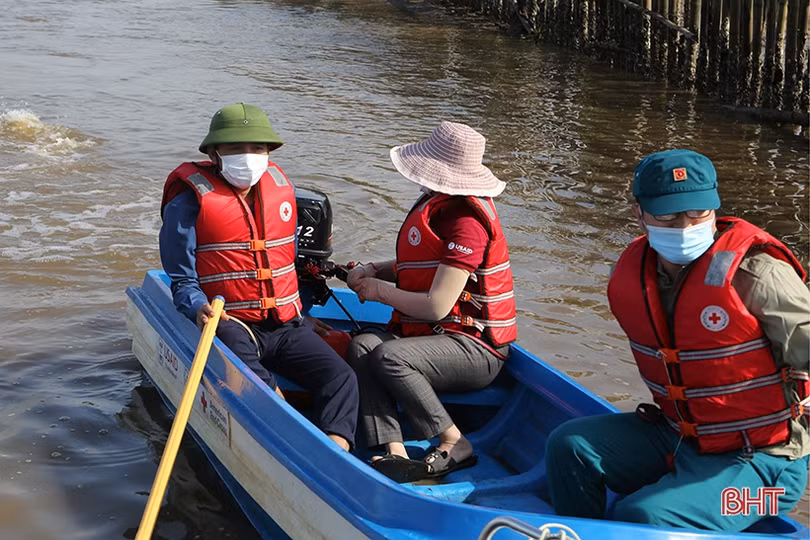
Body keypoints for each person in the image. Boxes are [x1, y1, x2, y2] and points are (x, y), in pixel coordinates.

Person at [545, 149, 809, 531]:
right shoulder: (635, 272)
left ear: (715, 208)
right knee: (569, 446)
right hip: (679, 438)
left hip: (767, 473)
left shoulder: (758, 272)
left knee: (645, 515)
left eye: (697, 213)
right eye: (667, 215)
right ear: (640, 213)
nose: (684, 226)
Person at [159, 102, 358, 451]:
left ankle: (337, 447)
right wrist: (197, 307)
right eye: (236, 148)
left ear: (269, 152)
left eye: (257, 148)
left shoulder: (280, 193)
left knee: (341, 376)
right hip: (230, 319)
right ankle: (286, 431)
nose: (248, 157)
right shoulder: (188, 203)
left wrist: (303, 314)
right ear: (215, 153)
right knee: (260, 388)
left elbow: (285, 264)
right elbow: (181, 277)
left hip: (284, 323)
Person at [345, 121, 518, 483]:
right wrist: (376, 269)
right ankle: (393, 449)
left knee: (389, 355)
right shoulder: (438, 205)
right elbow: (423, 265)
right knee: (363, 345)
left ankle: (453, 441)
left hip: (475, 350)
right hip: (439, 339)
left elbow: (438, 305)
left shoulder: (467, 222)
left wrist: (376, 291)